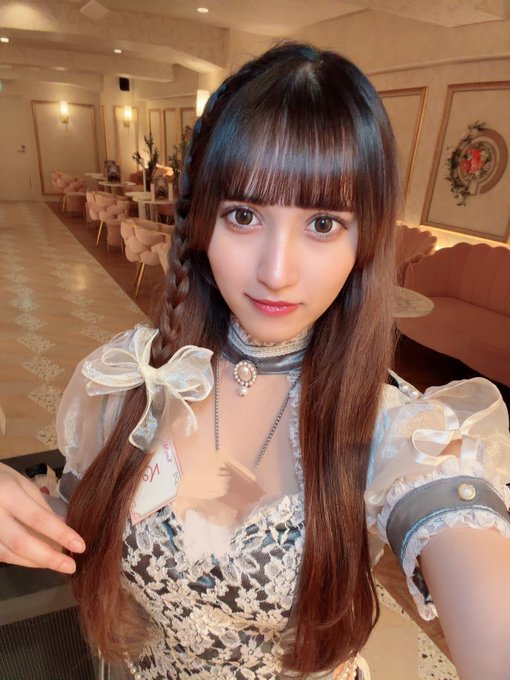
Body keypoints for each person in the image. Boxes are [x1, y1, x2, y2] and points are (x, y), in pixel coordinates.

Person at [0, 42, 509, 680]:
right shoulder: (134, 376)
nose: (276, 271)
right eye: (244, 215)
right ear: (201, 223)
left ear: (366, 239)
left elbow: (472, 563)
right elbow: (75, 531)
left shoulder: (397, 427)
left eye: (322, 224)